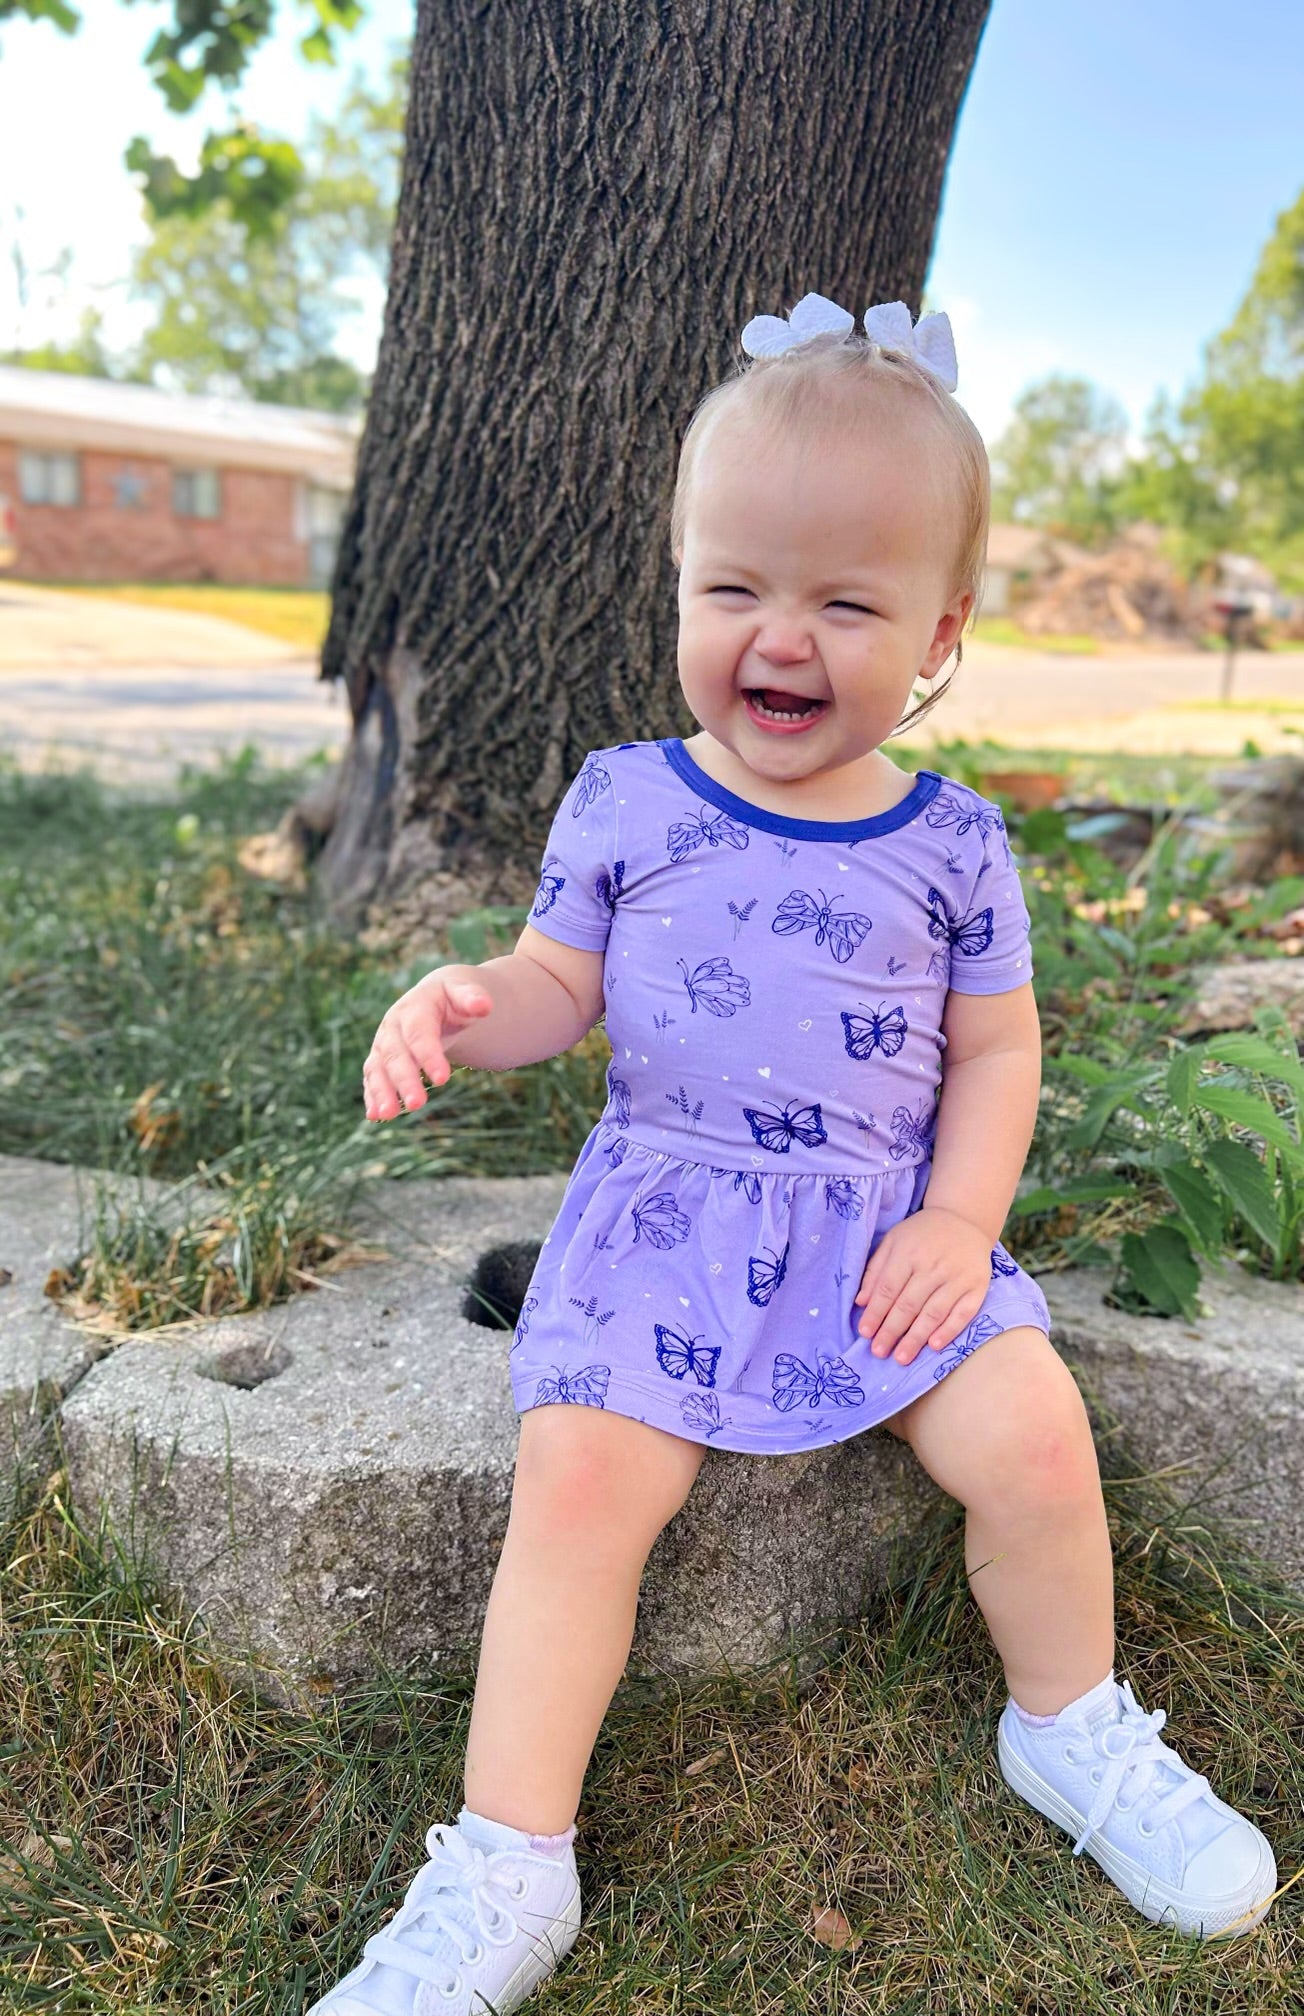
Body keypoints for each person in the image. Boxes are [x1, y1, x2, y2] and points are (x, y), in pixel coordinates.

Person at [318, 295, 1277, 2016]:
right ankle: (506, 1857)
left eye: (846, 601)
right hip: (666, 1219)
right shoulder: (625, 799)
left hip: (879, 1233)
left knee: (1037, 1442)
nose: (782, 635)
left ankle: (1071, 1731)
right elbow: (560, 990)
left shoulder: (956, 841)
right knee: (582, 1486)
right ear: (681, 583)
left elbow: (995, 1047)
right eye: (736, 588)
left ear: (939, 632)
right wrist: (468, 1002)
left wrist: (963, 1224)